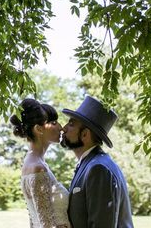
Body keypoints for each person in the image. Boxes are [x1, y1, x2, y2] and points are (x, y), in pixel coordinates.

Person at [61, 95, 134, 228]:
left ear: (85, 134)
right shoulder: (89, 164)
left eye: (71, 124)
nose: (63, 128)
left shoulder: (99, 169)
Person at [10, 98, 71, 228]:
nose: (61, 127)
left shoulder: (33, 162)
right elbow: (46, 224)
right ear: (39, 129)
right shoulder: (38, 168)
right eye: (54, 123)